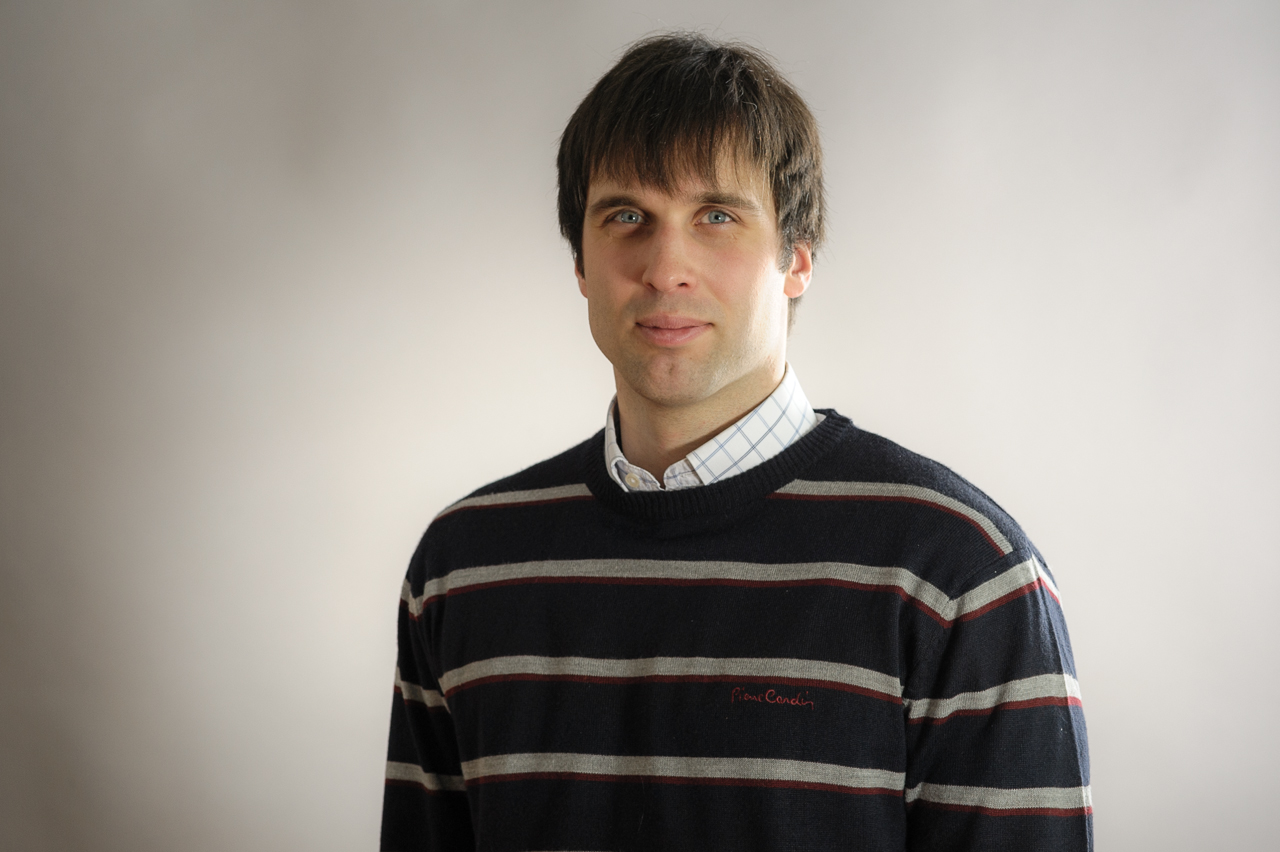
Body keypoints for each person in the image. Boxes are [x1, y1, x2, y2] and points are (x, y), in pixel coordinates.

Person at [380, 33, 1091, 851]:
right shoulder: (464, 568)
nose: (665, 267)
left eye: (716, 216)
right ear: (580, 262)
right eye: (626, 217)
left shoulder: (960, 575)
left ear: (797, 259)